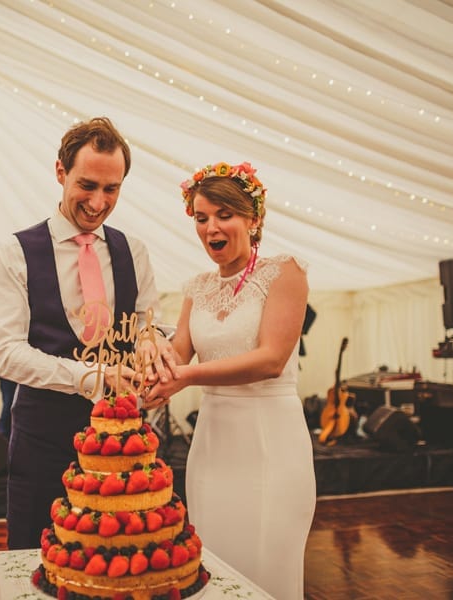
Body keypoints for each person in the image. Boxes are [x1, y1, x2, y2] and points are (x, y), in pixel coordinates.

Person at [0, 116, 173, 550]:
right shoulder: (15, 253)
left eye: (112, 189)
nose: (98, 201)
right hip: (42, 442)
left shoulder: (134, 252)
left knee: (119, 562)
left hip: (125, 445)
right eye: (87, 185)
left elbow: (150, 326)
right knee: (35, 561)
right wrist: (93, 377)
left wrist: (159, 349)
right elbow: (7, 354)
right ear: (60, 172)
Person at [144, 161, 316, 599]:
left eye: (225, 215)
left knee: (265, 566)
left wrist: (184, 376)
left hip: (270, 443)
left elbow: (270, 360)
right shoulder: (196, 287)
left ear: (253, 219)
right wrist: (148, 360)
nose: (211, 228)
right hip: (213, 445)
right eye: (201, 217)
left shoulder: (285, 272)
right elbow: (177, 354)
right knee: (213, 566)